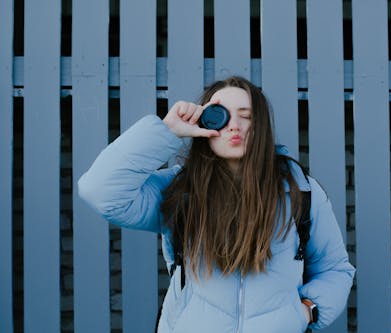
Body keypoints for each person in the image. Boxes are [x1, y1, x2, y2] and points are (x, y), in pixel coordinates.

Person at [78, 76, 355, 333]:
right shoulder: (180, 190)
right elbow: (100, 191)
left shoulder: (301, 191)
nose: (234, 125)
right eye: (220, 116)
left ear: (261, 126)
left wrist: (307, 312)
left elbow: (335, 269)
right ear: (204, 121)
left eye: (246, 116)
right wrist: (168, 132)